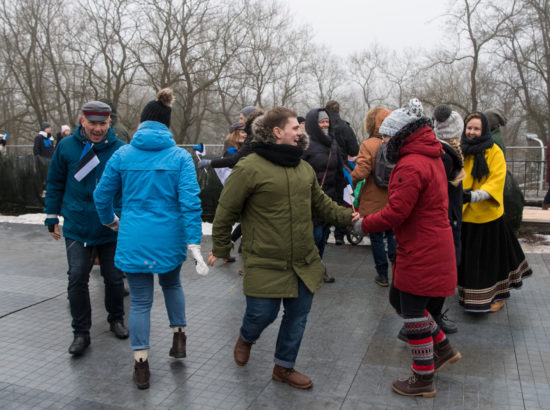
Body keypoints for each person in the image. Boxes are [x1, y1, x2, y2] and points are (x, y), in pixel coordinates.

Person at [208, 106, 359, 389]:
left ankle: (284, 367)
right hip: (265, 260)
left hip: (302, 259)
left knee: (297, 316)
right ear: (277, 132)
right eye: (295, 127)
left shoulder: (303, 168)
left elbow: (321, 203)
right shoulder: (249, 167)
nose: (301, 131)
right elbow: (226, 210)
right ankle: (247, 337)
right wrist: (221, 246)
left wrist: (345, 215)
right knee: (262, 314)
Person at [94, 88, 206, 389]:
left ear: (143, 123)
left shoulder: (122, 154)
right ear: (166, 126)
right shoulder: (180, 157)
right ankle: (179, 336)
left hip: (133, 237)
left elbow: (101, 194)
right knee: (172, 284)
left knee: (141, 302)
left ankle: (141, 365)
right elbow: (191, 202)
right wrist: (193, 240)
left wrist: (110, 220)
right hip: (170, 237)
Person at [354, 101, 461, 398]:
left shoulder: (411, 164)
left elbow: (395, 213)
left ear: (400, 135)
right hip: (428, 243)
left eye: (388, 138)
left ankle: (423, 378)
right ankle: (442, 347)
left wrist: (362, 225)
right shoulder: (429, 156)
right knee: (398, 299)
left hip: (422, 248)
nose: (385, 143)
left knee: (412, 310)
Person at [44, 101, 128, 356]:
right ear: (83, 121)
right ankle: (81, 332)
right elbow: (55, 181)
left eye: (103, 124)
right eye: (93, 124)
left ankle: (116, 319)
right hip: (77, 225)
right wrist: (51, 216)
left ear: (109, 122)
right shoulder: (67, 147)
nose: (98, 129)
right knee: (77, 278)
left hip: (110, 227)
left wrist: (123, 218)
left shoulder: (121, 150)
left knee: (114, 278)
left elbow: (129, 189)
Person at [458, 111, 532, 313]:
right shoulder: (460, 151)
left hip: (488, 217)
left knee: (491, 262)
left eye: (476, 128)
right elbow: (456, 175)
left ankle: (496, 296)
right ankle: (470, 295)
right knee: (469, 261)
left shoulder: (494, 151)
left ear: (484, 130)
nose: (472, 132)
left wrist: (474, 196)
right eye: (469, 128)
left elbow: (496, 180)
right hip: (466, 216)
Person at [351, 106, 396, 287]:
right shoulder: (397, 144)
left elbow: (361, 172)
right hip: (394, 198)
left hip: (372, 200)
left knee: (376, 237)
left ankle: (382, 275)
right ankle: (398, 272)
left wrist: (349, 182)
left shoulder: (368, 145)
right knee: (393, 235)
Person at [302, 108, 346, 283]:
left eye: (327, 121)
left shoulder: (333, 144)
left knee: (323, 236)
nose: (325, 125)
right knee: (315, 236)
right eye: (321, 122)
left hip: (329, 199)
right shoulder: (305, 145)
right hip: (311, 200)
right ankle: (312, 269)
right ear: (314, 124)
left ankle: (317, 267)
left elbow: (339, 172)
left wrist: (340, 197)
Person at [325, 100, 359, 245]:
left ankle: (324, 232)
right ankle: (339, 235)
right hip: (341, 167)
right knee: (341, 200)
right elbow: (354, 150)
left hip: (324, 166)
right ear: (339, 111)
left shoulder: (322, 126)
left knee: (324, 199)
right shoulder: (346, 128)